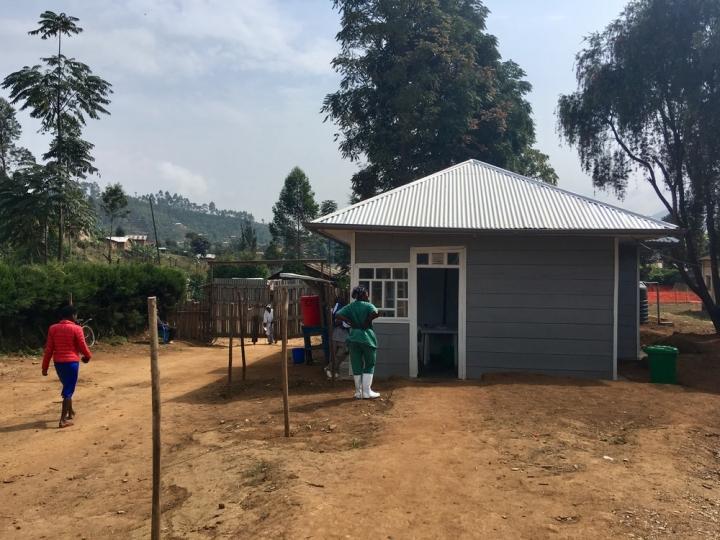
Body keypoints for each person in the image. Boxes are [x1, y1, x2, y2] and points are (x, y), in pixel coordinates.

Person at [41, 304, 92, 428]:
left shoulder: (53, 328)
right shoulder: (77, 329)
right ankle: (63, 420)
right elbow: (83, 346)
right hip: (71, 363)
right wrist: (88, 356)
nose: (76, 317)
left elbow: (49, 349)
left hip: (58, 363)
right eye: (75, 315)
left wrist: (45, 367)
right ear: (72, 315)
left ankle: (70, 412)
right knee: (68, 390)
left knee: (67, 385)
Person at [335, 286, 381, 399]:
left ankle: (358, 392)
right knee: (369, 363)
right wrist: (367, 321)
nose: (368, 295)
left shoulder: (350, 306)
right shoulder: (368, 305)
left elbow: (337, 314)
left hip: (353, 337)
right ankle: (367, 392)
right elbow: (376, 313)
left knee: (356, 364)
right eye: (367, 293)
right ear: (364, 295)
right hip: (367, 338)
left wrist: (349, 321)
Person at [326, 297, 350, 379]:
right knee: (334, 353)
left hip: (344, 334)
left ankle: (330, 368)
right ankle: (333, 370)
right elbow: (335, 319)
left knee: (342, 353)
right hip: (336, 333)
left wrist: (342, 322)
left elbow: (345, 322)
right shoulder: (337, 306)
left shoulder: (348, 308)